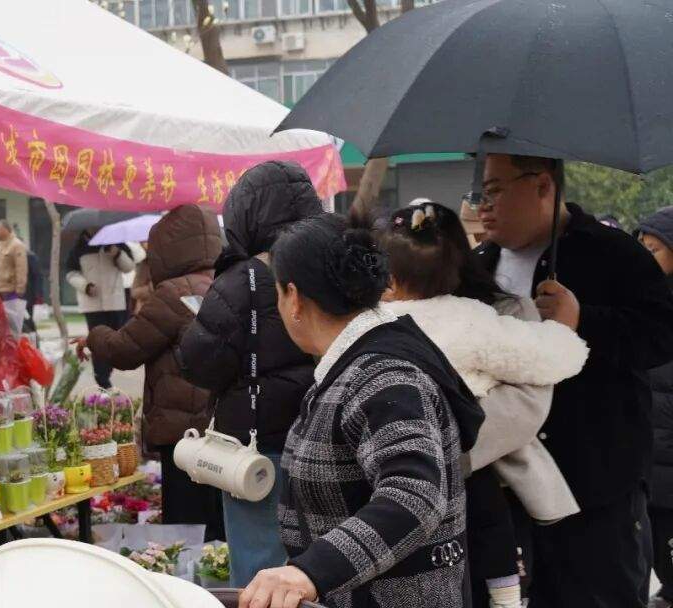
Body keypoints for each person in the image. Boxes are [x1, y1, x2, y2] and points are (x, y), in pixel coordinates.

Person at [241, 213, 484, 608]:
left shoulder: (384, 376)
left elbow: (415, 494)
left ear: (294, 297)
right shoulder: (355, 365)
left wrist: (310, 571)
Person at [473, 154, 673, 607]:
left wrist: (583, 320)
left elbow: (661, 334)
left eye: (496, 190)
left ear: (543, 185)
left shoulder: (613, 253)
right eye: (481, 193)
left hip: (595, 489)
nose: (484, 206)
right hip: (503, 495)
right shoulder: (478, 266)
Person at [379, 202, 588, 608]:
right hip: (414, 488)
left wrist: (428, 450)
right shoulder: (465, 320)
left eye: (494, 191)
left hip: (469, 472)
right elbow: (549, 356)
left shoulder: (500, 312)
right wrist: (563, 335)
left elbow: (525, 410)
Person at [179, 160, 321, 587]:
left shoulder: (243, 280)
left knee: (260, 568)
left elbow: (197, 363)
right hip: (326, 440)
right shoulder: (330, 267)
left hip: (261, 449)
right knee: (319, 566)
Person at [73, 205, 225, 541]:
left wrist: (95, 336)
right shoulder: (223, 285)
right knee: (217, 523)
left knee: (187, 530)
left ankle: (188, 590)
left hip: (181, 433)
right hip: (222, 429)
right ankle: (224, 589)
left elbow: (125, 349)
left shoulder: (171, 294)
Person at [638, 207, 673, 608]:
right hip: (648, 462)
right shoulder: (644, 306)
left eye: (655, 249)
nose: (645, 258)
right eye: (641, 248)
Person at [66, 230, 136, 389]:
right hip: (92, 304)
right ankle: (102, 378)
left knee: (113, 340)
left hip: (115, 302)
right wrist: (85, 286)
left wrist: (117, 253)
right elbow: (70, 273)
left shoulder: (116, 241)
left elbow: (129, 267)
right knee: (97, 340)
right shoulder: (79, 248)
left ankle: (106, 374)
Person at [0, 219, 28, 300]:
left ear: (5, 230)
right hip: (0, 289)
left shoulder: (17, 245)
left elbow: (21, 268)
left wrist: (20, 288)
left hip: (11, 289)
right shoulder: (0, 244)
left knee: (13, 312)